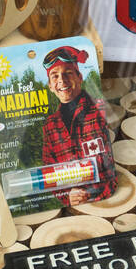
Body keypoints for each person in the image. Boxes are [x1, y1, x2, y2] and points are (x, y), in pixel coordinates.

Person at [40, 46, 113, 205]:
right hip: (75, 207)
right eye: (55, 76)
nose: (61, 80)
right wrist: (67, 194)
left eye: (68, 73)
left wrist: (91, 193)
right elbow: (49, 172)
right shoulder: (50, 125)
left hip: (105, 202)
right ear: (50, 86)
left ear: (80, 77)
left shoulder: (98, 110)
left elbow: (109, 169)